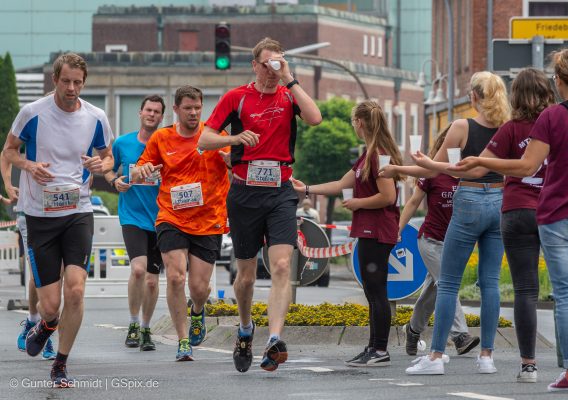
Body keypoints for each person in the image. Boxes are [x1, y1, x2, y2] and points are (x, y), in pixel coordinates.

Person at [452, 49, 568, 393]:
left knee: (565, 295)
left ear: (558, 80)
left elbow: (526, 166)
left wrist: (482, 161)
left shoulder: (552, 117)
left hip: (559, 216)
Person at [197, 37, 322, 373]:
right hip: (244, 193)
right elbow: (204, 139)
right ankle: (245, 328)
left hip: (280, 191)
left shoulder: (288, 95)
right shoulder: (236, 97)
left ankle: (274, 339)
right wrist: (234, 138)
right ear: (254, 65)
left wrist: (290, 78)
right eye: (266, 64)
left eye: (277, 64)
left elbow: (315, 118)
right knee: (247, 276)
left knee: (281, 266)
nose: (271, 70)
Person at [381, 71, 510, 375]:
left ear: (473, 96)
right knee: (490, 282)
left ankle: (436, 356)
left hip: (470, 200)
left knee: (448, 282)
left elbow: (432, 169)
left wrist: (404, 166)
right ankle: (487, 357)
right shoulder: (508, 129)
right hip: (499, 201)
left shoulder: (462, 126)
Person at [1, 53, 113, 387]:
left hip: (78, 211)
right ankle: (46, 323)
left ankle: (60, 364)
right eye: (66, 81)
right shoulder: (32, 113)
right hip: (40, 215)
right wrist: (29, 166)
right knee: (51, 306)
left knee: (75, 290)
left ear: (84, 82)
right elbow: (8, 151)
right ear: (55, 80)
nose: (72, 88)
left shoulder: (96, 117)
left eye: (78, 82)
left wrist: (101, 165)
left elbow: (108, 158)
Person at [292, 100, 401, 366]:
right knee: (372, 291)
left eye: (353, 121)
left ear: (359, 123)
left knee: (376, 291)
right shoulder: (368, 155)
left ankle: (380, 349)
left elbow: (388, 196)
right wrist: (306, 189)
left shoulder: (378, 154)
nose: (354, 126)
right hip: (370, 229)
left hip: (377, 230)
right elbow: (341, 184)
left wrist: (358, 203)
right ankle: (373, 347)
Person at [131, 85, 230, 362]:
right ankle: (183, 340)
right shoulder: (162, 138)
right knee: (175, 277)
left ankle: (197, 309)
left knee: (199, 288)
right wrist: (142, 170)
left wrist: (232, 161)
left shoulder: (216, 136)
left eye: (197, 107)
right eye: (187, 108)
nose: (193, 113)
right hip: (171, 217)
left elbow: (237, 168)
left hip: (209, 219)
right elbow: (137, 172)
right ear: (176, 109)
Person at [395, 124, 480, 358]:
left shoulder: (470, 172)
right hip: (430, 240)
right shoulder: (432, 172)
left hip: (456, 243)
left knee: (433, 292)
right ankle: (460, 335)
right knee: (447, 285)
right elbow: (413, 202)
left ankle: (413, 329)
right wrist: (397, 229)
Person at [104, 95, 165, 351]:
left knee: (152, 280)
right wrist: (114, 180)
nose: (152, 115)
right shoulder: (123, 143)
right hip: (132, 216)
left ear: (162, 116)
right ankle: (133, 323)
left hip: (161, 218)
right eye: (148, 110)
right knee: (138, 270)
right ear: (140, 113)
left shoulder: (167, 143)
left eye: (157, 112)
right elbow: (108, 167)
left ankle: (147, 328)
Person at [1, 152, 57, 360]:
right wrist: (8, 184)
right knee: (40, 275)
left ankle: (38, 325)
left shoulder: (75, 136)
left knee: (62, 280)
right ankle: (39, 328)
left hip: (64, 214)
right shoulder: (32, 135)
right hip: (31, 215)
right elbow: (6, 153)